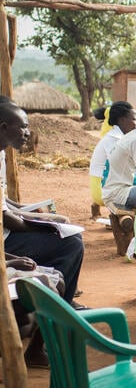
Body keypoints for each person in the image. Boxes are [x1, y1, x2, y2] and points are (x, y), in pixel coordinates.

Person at [0, 100, 86, 309]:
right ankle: (59, 307)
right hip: (5, 239)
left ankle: (60, 297)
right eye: (23, 126)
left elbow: (3, 202)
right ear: (3, 127)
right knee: (70, 243)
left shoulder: (1, 153)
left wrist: (26, 210)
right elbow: (4, 217)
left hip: (7, 233)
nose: (28, 132)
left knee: (63, 229)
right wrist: (42, 225)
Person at [89, 102, 136, 217]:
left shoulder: (116, 136)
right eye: (134, 119)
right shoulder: (114, 139)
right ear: (122, 120)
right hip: (103, 189)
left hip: (103, 184)